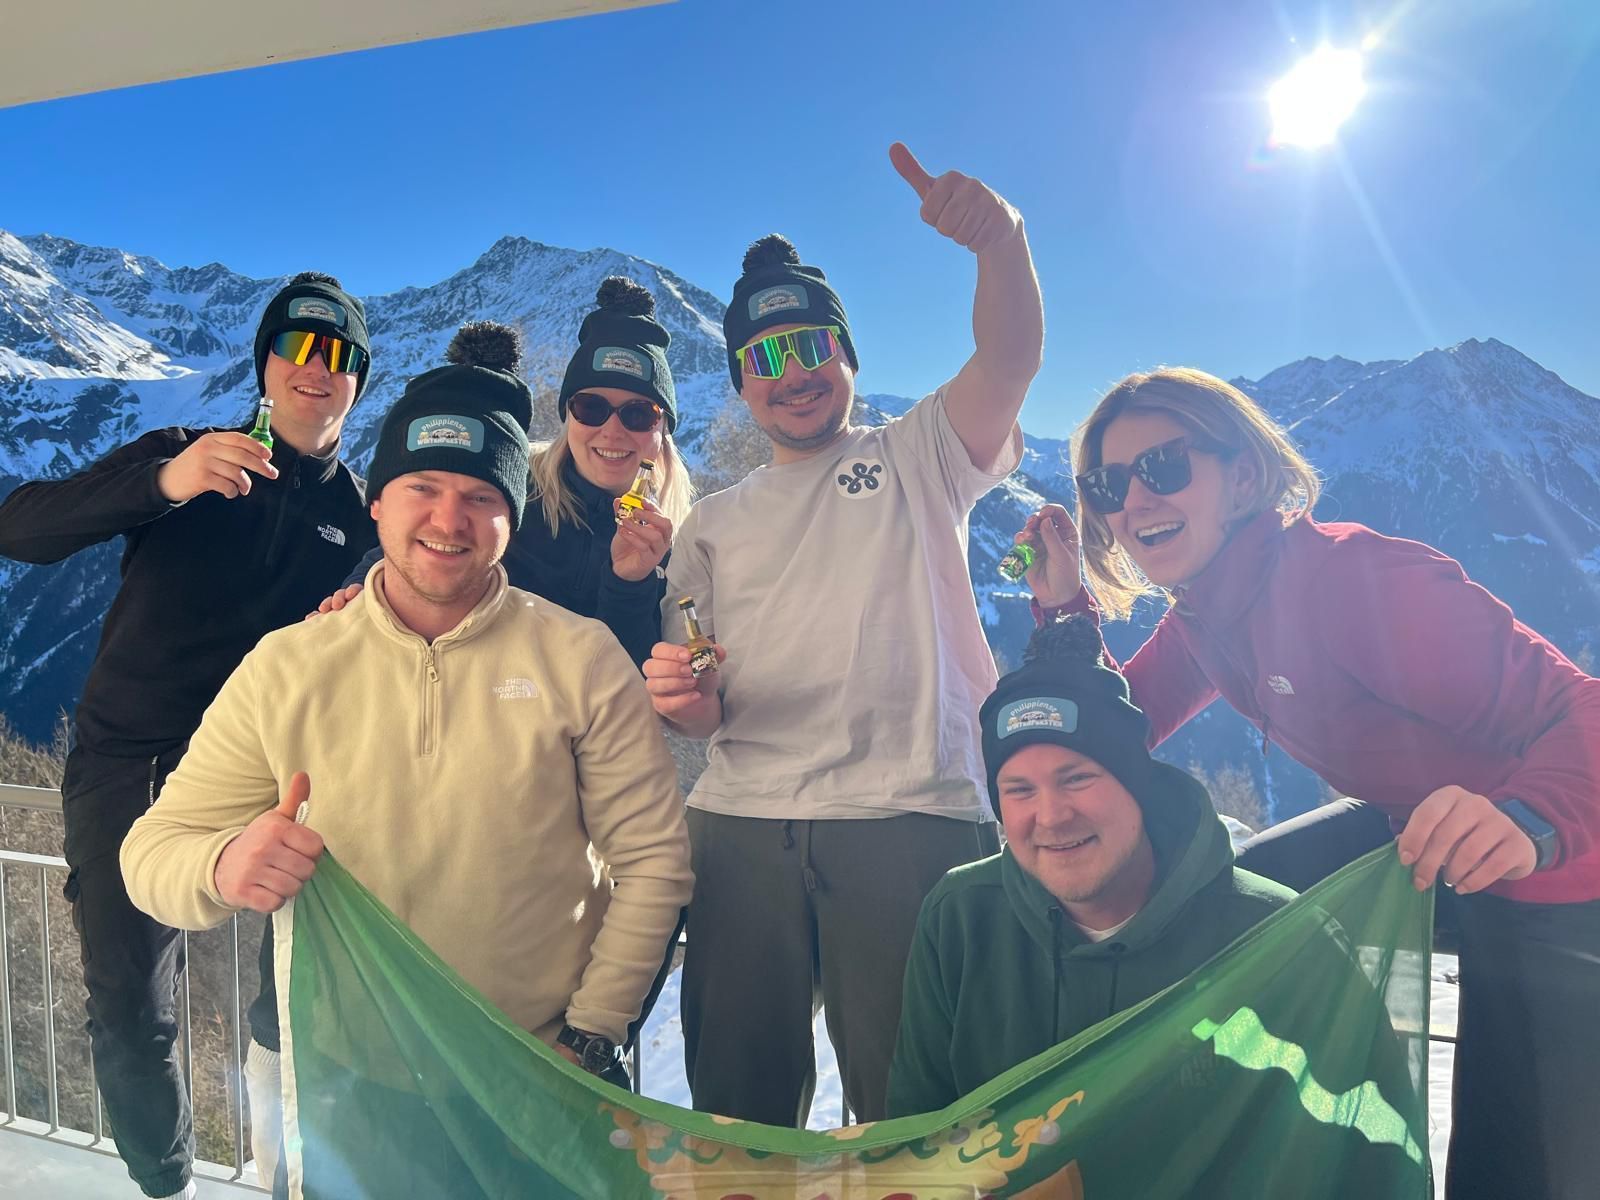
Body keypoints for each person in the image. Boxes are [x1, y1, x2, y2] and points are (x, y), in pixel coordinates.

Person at [119, 322, 693, 1195]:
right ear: (378, 503)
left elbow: (653, 862)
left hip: (531, 1079)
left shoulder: (580, 659)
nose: (448, 520)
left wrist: (591, 1033)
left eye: (481, 497)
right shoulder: (289, 668)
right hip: (346, 1090)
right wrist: (223, 864)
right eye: (421, 486)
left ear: (511, 519)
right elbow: (150, 855)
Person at [1019, 365, 1600, 1199]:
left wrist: (1531, 818)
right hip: (1412, 823)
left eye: (1165, 467)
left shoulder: (1352, 581)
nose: (1136, 500)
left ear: (1243, 476)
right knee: (1229, 904)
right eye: (1109, 485)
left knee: (1515, 1167)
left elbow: (1579, 707)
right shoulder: (1207, 611)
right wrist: (1067, 610)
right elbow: (1120, 730)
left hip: (1553, 864)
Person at [643, 143, 1043, 1126]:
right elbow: (700, 701)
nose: (793, 375)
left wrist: (1002, 244)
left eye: (812, 347)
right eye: (764, 359)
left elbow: (1007, 362)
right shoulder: (711, 524)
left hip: (911, 813)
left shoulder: (919, 455)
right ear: (741, 383)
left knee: (921, 1110)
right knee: (736, 1110)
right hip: (741, 825)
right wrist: (690, 701)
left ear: (848, 358)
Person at [0, 272, 376, 1200]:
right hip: (131, 762)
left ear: (358, 380)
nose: (317, 368)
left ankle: (290, 1176)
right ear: (265, 364)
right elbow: (21, 528)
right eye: (297, 346)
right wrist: (163, 485)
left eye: (339, 355)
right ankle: (171, 1185)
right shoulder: (183, 453)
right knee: (130, 1004)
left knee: (302, 1001)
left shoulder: (363, 517)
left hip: (278, 781)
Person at [888, 616, 1423, 1194]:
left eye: (1077, 778)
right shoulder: (961, 920)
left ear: (1136, 784)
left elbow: (1380, 1151)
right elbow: (915, 1142)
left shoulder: (1277, 940)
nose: (1051, 816)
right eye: (1019, 789)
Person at [318, 277, 690, 668]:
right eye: (591, 407)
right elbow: (411, 544)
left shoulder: (677, 542)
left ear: (663, 429)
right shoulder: (510, 487)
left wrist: (628, 583)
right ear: (567, 416)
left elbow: (634, 678)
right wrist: (358, 591)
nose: (612, 431)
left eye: (638, 414)